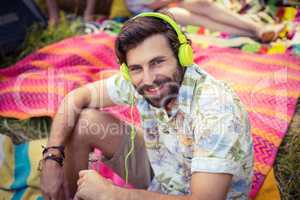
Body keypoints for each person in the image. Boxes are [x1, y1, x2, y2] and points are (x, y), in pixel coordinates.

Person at [40, 12, 253, 200]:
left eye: (157, 62)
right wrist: (52, 158)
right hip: (162, 168)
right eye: (136, 68)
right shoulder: (140, 79)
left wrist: (113, 194)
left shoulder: (216, 108)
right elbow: (77, 97)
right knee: (84, 122)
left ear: (182, 55)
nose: (149, 78)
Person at [126, 0, 284, 42]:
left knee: (203, 4)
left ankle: (258, 29)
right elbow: (154, 4)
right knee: (190, 16)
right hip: (156, 15)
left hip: (172, 5)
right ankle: (256, 32)